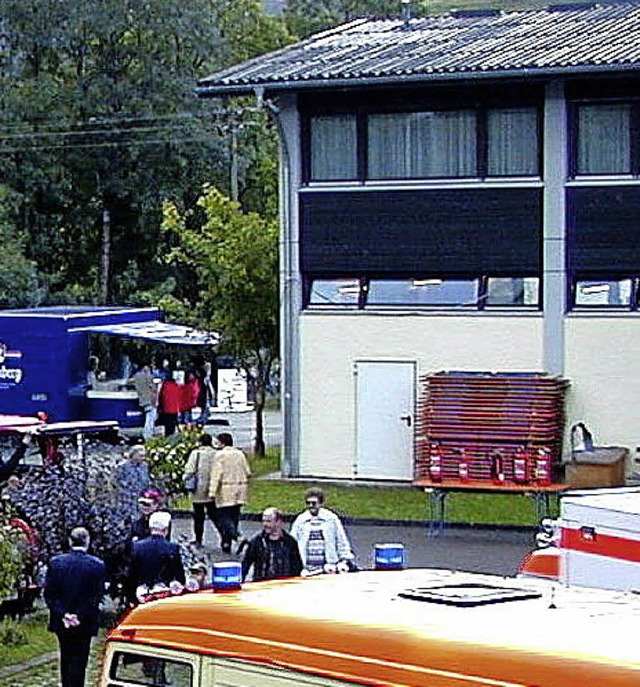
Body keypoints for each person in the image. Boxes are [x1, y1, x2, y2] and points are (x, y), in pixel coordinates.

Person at [44, 527, 105, 687]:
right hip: (85, 621)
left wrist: (64, 614)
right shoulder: (97, 565)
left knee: (65, 656)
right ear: (88, 541)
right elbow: (96, 597)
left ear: (70, 541)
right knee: (80, 658)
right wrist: (79, 615)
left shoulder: (56, 563)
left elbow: (49, 594)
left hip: (62, 620)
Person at [290, 487, 355, 573]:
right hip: (307, 569)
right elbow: (292, 543)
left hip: (328, 569)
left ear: (320, 503)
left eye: (313, 503)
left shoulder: (331, 519)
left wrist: (344, 560)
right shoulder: (300, 520)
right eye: (308, 503)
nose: (310, 506)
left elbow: (341, 541)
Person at [208, 432, 251, 553]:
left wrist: (212, 492)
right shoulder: (240, 454)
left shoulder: (220, 455)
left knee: (223, 517)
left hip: (226, 489)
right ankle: (227, 543)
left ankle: (237, 537)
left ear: (222, 443)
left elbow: (216, 475)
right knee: (234, 516)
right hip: (241, 488)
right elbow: (248, 471)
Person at [129, 511, 185, 600]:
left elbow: (132, 573)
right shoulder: (172, 548)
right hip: (164, 592)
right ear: (166, 529)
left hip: (142, 593)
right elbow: (179, 575)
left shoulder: (137, 547)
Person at [242, 507, 303, 582]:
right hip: (261, 586)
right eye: (263, 521)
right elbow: (245, 565)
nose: (265, 524)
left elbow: (297, 567)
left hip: (284, 585)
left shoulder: (290, 542)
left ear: (279, 522)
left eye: (268, 521)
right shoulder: (256, 542)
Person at [183, 433, 218, 547]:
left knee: (198, 516)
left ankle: (198, 539)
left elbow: (190, 470)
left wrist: (184, 479)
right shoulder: (216, 453)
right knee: (214, 514)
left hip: (198, 488)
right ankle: (224, 536)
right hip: (213, 488)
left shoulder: (196, 453)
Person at [133, 364, 159, 441]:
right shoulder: (148, 377)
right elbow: (153, 389)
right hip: (150, 400)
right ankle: (148, 435)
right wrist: (155, 401)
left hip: (143, 400)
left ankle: (148, 434)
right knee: (150, 418)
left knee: (149, 417)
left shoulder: (136, 377)